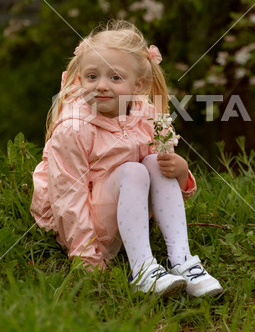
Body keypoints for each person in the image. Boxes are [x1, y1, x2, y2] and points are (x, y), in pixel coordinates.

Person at [30, 20, 223, 298]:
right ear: (79, 78)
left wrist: (181, 172)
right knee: (132, 170)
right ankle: (143, 269)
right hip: (85, 227)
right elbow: (67, 200)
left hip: (129, 214)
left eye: (115, 78)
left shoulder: (146, 115)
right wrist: (87, 259)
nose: (102, 86)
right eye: (92, 76)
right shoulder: (74, 127)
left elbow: (162, 184)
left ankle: (182, 260)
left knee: (156, 163)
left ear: (138, 84)